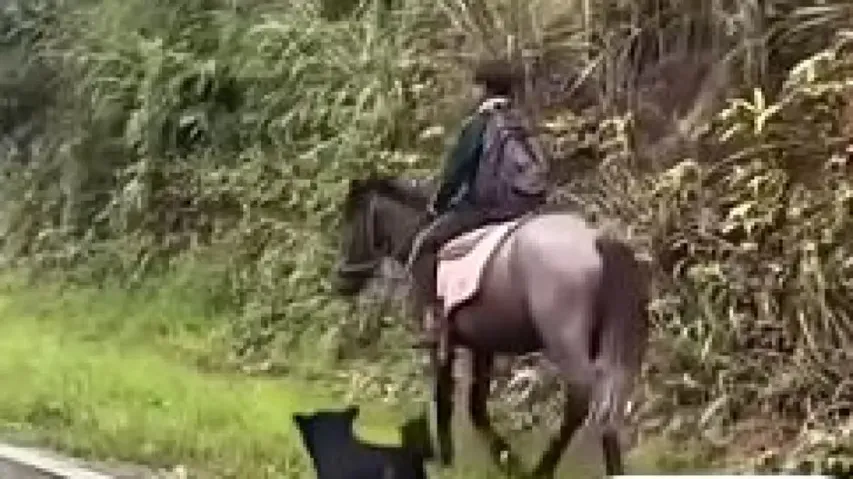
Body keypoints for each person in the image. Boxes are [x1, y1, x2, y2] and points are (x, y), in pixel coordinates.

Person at [412, 58, 549, 347]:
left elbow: (455, 173)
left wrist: (437, 205)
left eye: (475, 86)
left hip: (488, 209)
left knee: (425, 245)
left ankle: (433, 321)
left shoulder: (479, 125)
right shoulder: (522, 123)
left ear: (483, 89)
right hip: (526, 207)